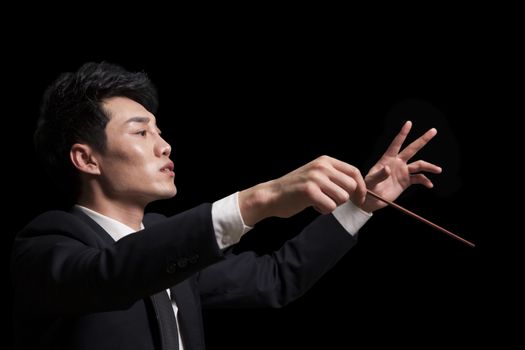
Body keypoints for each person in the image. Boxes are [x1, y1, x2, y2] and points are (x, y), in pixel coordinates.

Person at [11, 62, 442, 350]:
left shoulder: (174, 250)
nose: (165, 145)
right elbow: (110, 275)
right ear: (87, 159)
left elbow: (276, 278)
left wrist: (359, 206)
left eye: (160, 131)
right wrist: (258, 200)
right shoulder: (46, 244)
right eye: (142, 133)